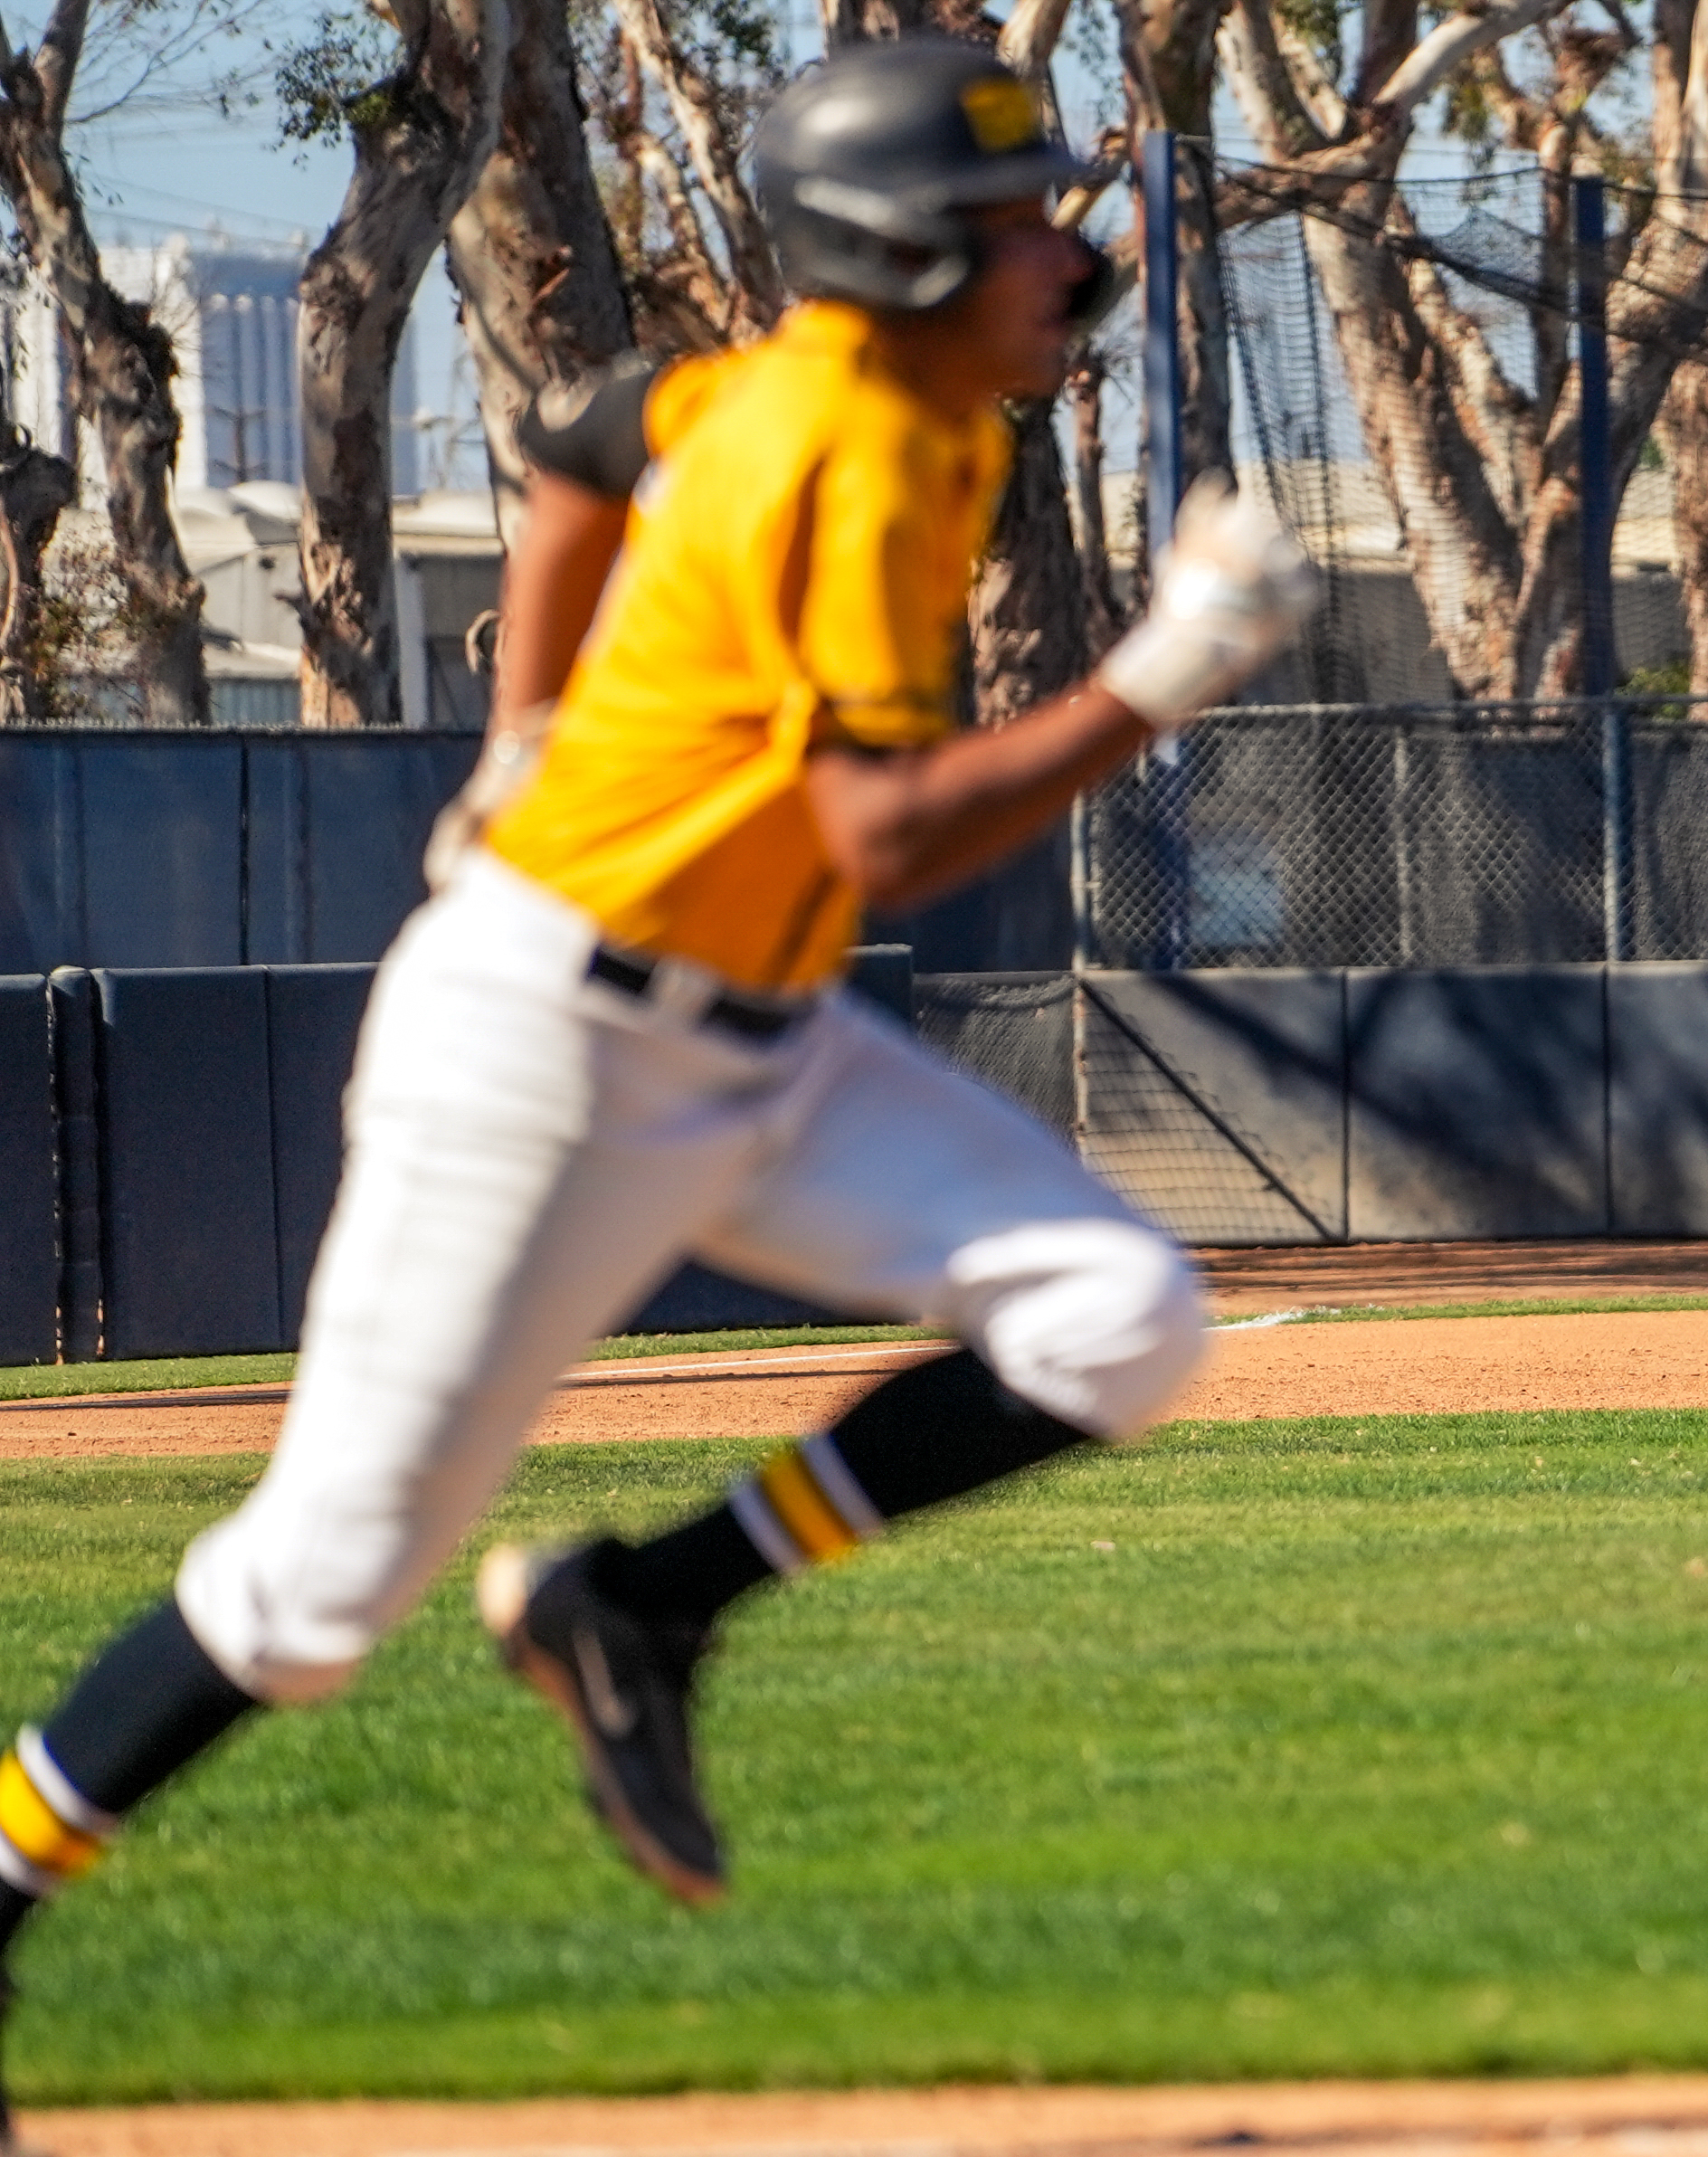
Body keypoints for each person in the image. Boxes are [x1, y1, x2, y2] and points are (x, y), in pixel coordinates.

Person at [0, 37, 1318, 2132]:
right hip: (543, 1046)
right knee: (314, 1596)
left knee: (1120, 1315)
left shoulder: (884, 399)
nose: (1063, 259)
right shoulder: (848, 450)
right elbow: (879, 841)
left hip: (760, 1037)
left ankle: (646, 1600)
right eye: (1016, 227)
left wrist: (520, 720)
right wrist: (1147, 683)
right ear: (898, 256)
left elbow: (584, 433)